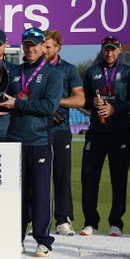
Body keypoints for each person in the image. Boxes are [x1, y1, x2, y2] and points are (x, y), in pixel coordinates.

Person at [0, 27, 62, 258]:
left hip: (40, 140)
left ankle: (43, 240)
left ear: (43, 46)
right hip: (15, 140)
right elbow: (1, 96)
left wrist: (17, 104)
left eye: (35, 44)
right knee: (17, 194)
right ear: (22, 45)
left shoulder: (53, 74)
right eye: (27, 44)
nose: (31, 48)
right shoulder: (14, 71)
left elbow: (49, 107)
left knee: (42, 193)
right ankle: (17, 238)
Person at [80, 35, 130, 237]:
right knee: (89, 178)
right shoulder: (92, 72)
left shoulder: (128, 73)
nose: (110, 53)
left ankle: (116, 222)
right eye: (106, 49)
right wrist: (92, 104)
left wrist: (114, 109)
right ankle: (90, 222)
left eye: (113, 49)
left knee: (118, 178)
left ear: (119, 50)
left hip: (120, 132)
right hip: (96, 132)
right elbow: (83, 100)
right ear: (102, 49)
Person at [42, 29, 84, 236]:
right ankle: (37, 220)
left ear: (58, 48)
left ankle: (63, 220)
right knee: (37, 178)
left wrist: (54, 103)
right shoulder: (35, 69)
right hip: (38, 130)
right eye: (43, 45)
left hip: (60, 129)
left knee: (62, 175)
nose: (44, 49)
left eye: (48, 46)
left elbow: (80, 99)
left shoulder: (68, 69)